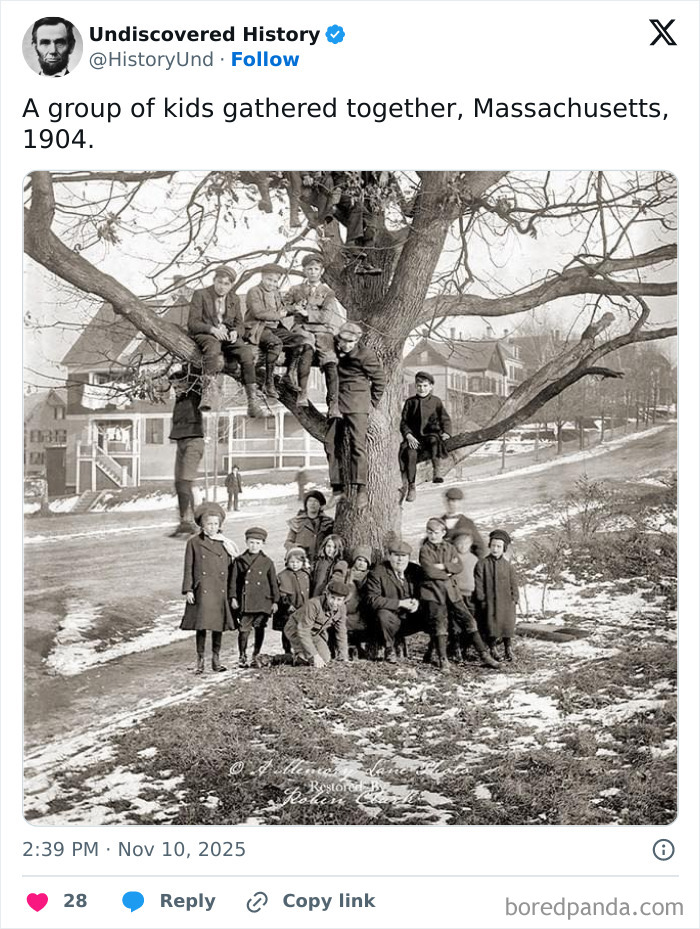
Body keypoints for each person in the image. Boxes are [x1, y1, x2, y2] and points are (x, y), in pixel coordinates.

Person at [419, 518, 498, 672]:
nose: (433, 536)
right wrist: (447, 572)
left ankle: (484, 655)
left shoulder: (449, 548)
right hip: (434, 593)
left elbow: (458, 567)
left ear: (443, 533)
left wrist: (443, 566)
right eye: (429, 532)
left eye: (436, 532)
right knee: (440, 626)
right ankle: (443, 660)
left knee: (469, 621)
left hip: (453, 592)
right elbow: (429, 571)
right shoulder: (425, 550)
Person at [325, 322, 386, 511]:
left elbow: (380, 380)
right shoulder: (332, 349)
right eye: (343, 341)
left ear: (357, 341)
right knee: (329, 443)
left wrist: (371, 404)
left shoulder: (365, 355)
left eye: (350, 342)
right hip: (337, 403)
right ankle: (337, 489)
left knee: (357, 446)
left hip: (357, 404)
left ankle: (361, 489)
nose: (345, 345)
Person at [187, 266, 262, 416]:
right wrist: (212, 330)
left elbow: (240, 324)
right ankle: (207, 394)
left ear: (231, 285)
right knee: (213, 348)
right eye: (220, 282)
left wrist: (235, 332)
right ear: (214, 280)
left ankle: (252, 401)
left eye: (227, 284)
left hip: (227, 336)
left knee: (246, 353)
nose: (222, 287)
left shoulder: (233, 298)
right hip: (206, 333)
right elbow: (192, 323)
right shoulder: (200, 295)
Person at [180, 502, 238, 674]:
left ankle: (216, 659)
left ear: (220, 526)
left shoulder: (226, 544)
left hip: (220, 589)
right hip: (202, 590)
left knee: (217, 625)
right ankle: (200, 660)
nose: (212, 527)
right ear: (202, 525)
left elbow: (232, 570)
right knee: (202, 625)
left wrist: (232, 593)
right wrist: (188, 589)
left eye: (215, 524)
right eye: (209, 524)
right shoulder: (193, 543)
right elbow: (188, 567)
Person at [284, 253, 340, 411]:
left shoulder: (328, 292)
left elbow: (326, 316)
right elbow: (283, 307)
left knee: (330, 361)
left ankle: (333, 403)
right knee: (306, 348)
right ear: (304, 270)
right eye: (309, 269)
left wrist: (307, 314)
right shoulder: (296, 290)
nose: (313, 272)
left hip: (322, 331)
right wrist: (294, 308)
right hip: (302, 329)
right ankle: (303, 393)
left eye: (316, 269)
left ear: (321, 271)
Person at [244, 263, 305, 400]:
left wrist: (295, 308)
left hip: (274, 328)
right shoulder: (254, 291)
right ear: (262, 277)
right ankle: (268, 383)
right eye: (269, 279)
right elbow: (259, 313)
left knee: (299, 341)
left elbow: (282, 310)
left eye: (275, 281)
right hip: (257, 328)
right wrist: (281, 314)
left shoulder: (276, 293)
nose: (272, 283)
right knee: (276, 343)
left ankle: (288, 376)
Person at [364, 539, 423, 664]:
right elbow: (372, 599)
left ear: (408, 557)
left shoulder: (416, 571)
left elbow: (427, 590)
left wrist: (418, 602)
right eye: (396, 556)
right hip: (391, 620)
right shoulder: (378, 572)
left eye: (403, 556)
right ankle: (389, 648)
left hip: (413, 617)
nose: (400, 560)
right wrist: (400, 603)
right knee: (383, 614)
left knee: (435, 608)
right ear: (389, 556)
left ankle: (438, 650)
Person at [229, 527, 279, 668]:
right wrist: (233, 597)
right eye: (251, 542)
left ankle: (256, 654)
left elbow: (273, 582)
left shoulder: (267, 562)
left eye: (257, 543)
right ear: (246, 542)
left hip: (263, 601)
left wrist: (275, 601)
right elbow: (233, 581)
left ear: (263, 544)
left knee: (259, 627)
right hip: (246, 602)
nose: (254, 546)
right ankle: (242, 655)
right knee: (244, 629)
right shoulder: (239, 561)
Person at [399, 371, 452, 501]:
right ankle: (412, 486)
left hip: (430, 434)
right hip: (415, 438)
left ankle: (437, 471)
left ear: (431, 386)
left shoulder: (436, 401)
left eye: (425, 386)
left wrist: (447, 432)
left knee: (434, 441)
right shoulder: (410, 402)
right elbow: (404, 422)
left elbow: (445, 418)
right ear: (415, 386)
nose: (422, 389)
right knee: (410, 453)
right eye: (419, 386)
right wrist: (408, 435)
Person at [168, 364, 204, 536]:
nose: (175, 390)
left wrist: (185, 365)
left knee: (186, 481)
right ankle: (184, 521)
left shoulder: (194, 394)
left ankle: (191, 522)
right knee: (179, 483)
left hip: (193, 442)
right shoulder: (180, 398)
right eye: (173, 387)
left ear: (187, 383)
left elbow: (195, 370)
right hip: (180, 442)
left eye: (178, 386)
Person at [474, 529, 520, 663]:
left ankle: (508, 648)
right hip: (489, 603)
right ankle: (493, 648)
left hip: (506, 603)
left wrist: (514, 598)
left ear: (504, 548)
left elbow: (514, 583)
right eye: (493, 545)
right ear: (489, 545)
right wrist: (482, 599)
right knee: (491, 625)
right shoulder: (482, 564)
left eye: (499, 546)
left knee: (507, 625)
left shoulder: (508, 566)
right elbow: (478, 583)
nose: (495, 549)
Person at [284, 579, 350, 667]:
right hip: (296, 628)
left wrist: (343, 657)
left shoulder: (341, 609)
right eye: (332, 598)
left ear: (344, 600)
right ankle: (274, 659)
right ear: (327, 595)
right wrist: (314, 655)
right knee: (309, 657)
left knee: (325, 658)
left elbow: (341, 632)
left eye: (339, 600)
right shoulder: (313, 605)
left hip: (314, 633)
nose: (335, 603)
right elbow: (303, 631)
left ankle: (302, 656)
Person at [275, 547, 311, 656]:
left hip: (302, 606)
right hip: (288, 609)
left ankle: (300, 649)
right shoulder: (283, 576)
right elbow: (281, 594)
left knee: (302, 628)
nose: (295, 564)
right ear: (287, 562)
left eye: (298, 562)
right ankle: (287, 650)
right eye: (292, 562)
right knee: (287, 629)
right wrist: (287, 605)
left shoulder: (305, 574)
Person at [285, 489, 334, 561]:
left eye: (316, 501)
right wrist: (298, 548)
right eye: (310, 501)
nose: (312, 504)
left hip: (321, 562)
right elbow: (288, 543)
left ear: (321, 505)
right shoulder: (297, 521)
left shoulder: (327, 522)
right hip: (302, 561)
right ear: (306, 504)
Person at [345, 547, 373, 658]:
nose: (362, 563)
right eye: (359, 560)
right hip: (349, 606)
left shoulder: (369, 576)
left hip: (362, 608)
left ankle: (361, 647)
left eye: (365, 561)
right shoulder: (347, 573)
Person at [441, 488, 487, 556]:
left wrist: (474, 563)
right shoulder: (439, 522)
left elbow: (480, 547)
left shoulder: (468, 523)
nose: (450, 503)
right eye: (448, 500)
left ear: (460, 503)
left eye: (454, 501)